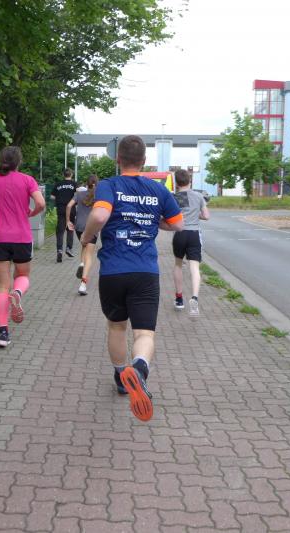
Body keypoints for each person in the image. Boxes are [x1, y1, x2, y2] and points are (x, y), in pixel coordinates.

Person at [80, 135, 184, 422]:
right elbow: (178, 224)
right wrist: (154, 222)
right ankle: (139, 369)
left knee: (117, 326)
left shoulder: (109, 185)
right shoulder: (157, 189)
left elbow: (99, 216)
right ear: (144, 161)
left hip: (114, 270)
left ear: (118, 159)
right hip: (145, 271)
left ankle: (120, 376)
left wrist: (87, 237)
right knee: (144, 333)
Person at [0, 146, 45, 348]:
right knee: (23, 275)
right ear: (19, 162)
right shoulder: (27, 180)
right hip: (21, 237)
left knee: (2, 286)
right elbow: (41, 203)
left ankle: (3, 334)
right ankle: (17, 293)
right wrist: (31, 213)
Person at [171, 169, 210, 316]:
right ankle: (194, 298)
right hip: (194, 234)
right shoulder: (199, 196)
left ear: (176, 182)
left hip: (180, 233)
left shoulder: (175, 197)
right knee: (194, 267)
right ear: (190, 180)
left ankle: (179, 299)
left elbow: (170, 216)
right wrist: (196, 215)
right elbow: (206, 216)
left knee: (178, 265)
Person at [66, 174, 99, 295]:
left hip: (79, 226)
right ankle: (83, 284)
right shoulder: (98, 195)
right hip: (92, 226)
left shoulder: (79, 194)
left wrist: (68, 221)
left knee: (84, 245)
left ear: (87, 183)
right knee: (89, 254)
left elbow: (69, 205)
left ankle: (81, 263)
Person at [51, 168, 77, 262]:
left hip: (61, 209)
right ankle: (69, 248)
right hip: (71, 209)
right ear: (71, 175)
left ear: (63, 175)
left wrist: (59, 199)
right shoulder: (74, 184)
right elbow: (78, 194)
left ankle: (59, 250)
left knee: (60, 231)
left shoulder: (58, 184)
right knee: (70, 229)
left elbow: (52, 196)